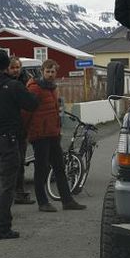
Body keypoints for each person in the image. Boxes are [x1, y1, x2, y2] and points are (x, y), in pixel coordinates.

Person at [0, 50, 39, 239]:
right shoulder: (12, 85)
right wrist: (28, 85)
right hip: (7, 138)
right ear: (6, 66)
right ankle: (2, 227)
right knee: (7, 183)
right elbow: (31, 104)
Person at [23, 59, 85, 212]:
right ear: (42, 72)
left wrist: (58, 129)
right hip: (40, 134)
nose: (50, 75)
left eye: (53, 72)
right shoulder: (35, 88)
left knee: (59, 167)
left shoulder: (52, 88)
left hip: (52, 133)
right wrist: (25, 131)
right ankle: (42, 202)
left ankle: (67, 200)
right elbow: (26, 111)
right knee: (41, 169)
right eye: (48, 72)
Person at [6, 56, 35, 205]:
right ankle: (12, 193)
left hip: (21, 129)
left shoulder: (27, 81)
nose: (16, 70)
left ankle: (19, 191)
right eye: (13, 67)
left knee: (20, 162)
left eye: (18, 67)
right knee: (11, 164)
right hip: (8, 130)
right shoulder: (5, 83)